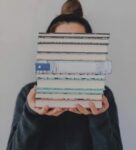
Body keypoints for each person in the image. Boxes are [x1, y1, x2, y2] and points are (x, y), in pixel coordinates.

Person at [6, 0, 123, 150]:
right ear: (48, 48)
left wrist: (99, 118)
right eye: (61, 43)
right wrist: (32, 114)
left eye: (78, 43)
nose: (70, 52)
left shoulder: (103, 96)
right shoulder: (30, 95)